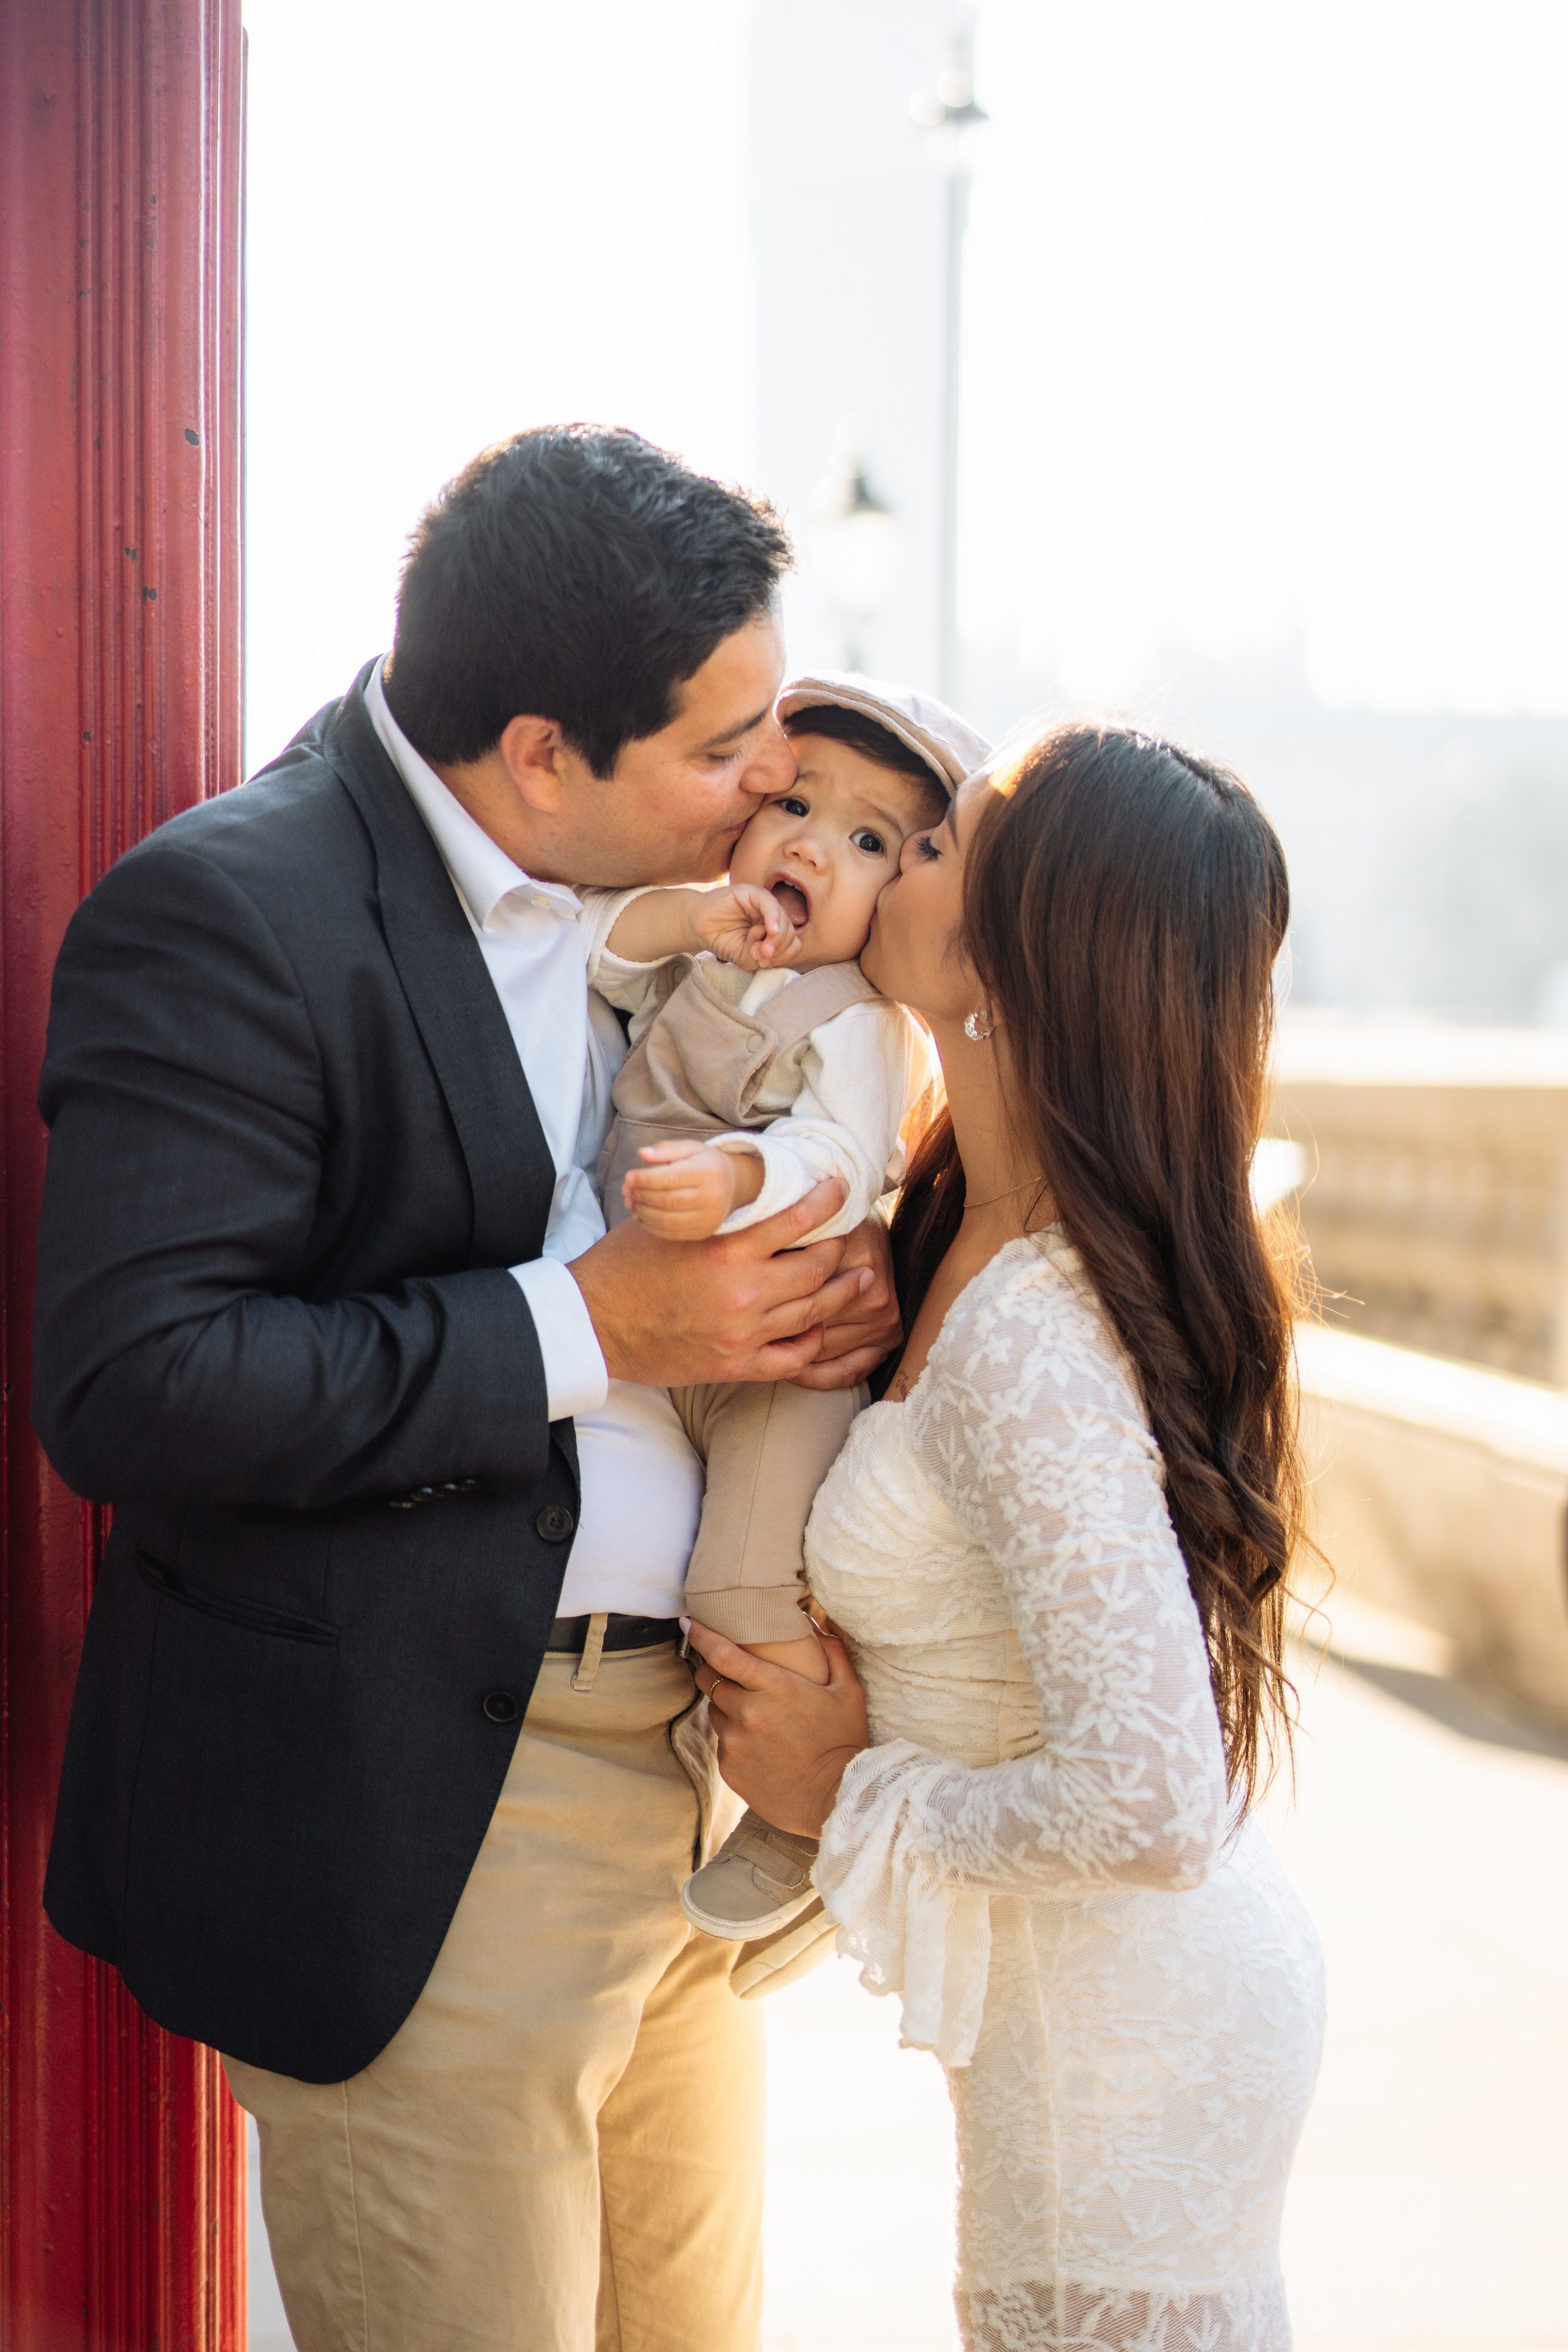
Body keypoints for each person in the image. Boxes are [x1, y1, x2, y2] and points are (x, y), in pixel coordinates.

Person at [33, 426, 900, 2352]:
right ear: (538, 755)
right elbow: (136, 1380)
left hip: (687, 1799)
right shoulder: (231, 910)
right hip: (434, 1818)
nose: (773, 781)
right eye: (724, 743)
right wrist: (596, 1326)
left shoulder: (683, 915)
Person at [687, 725, 1328, 2351]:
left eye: (936, 842)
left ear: (1017, 954)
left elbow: (1154, 1796)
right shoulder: (950, 1203)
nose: (889, 858)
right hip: (1105, 2003)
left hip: (1131, 2034)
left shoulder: (1035, 1328)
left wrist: (855, 1795)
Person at [584, 676, 986, 1939]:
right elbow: (599, 953)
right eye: (795, 804)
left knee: (746, 1591)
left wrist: (739, 1177)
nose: (812, 845)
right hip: (648, 1348)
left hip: (776, 1365)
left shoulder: (856, 1022)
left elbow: (836, 1154)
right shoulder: (699, 958)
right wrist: (692, 915)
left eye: (871, 841)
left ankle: (794, 1816)